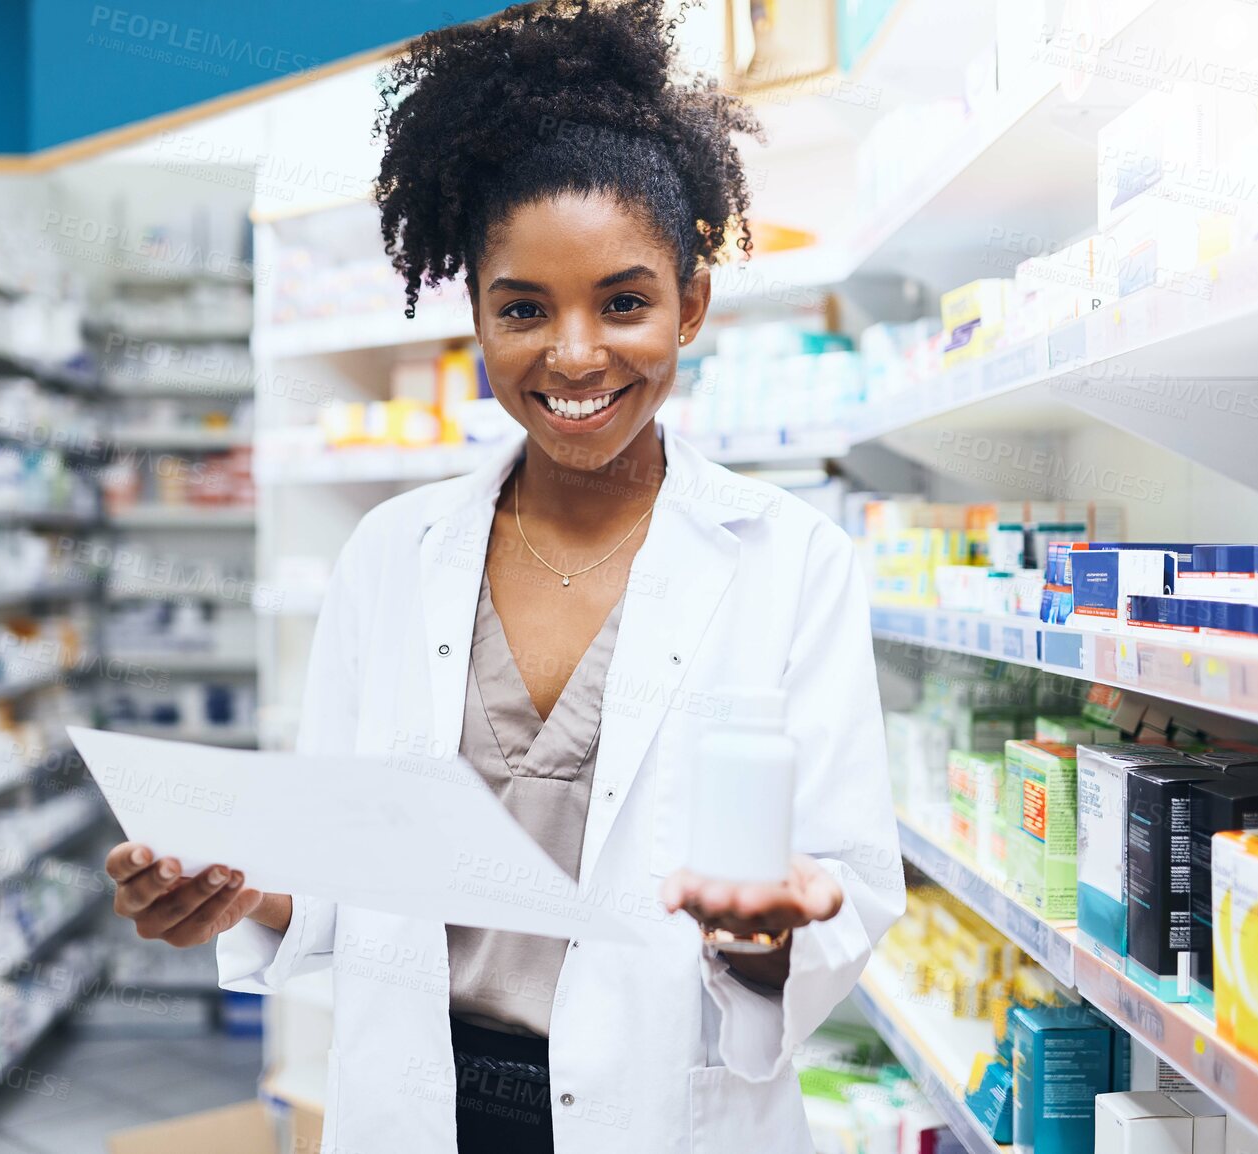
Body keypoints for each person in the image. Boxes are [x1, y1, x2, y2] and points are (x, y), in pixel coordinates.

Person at [103, 2, 903, 1150]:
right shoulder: (392, 554)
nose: (575, 353)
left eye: (624, 301)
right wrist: (236, 891)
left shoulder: (792, 558)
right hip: (421, 1100)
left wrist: (766, 933)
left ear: (692, 302)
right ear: (474, 315)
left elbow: (852, 877)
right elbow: (337, 867)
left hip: (662, 1105)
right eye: (523, 308)